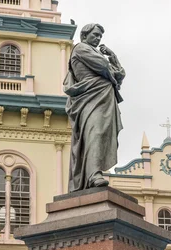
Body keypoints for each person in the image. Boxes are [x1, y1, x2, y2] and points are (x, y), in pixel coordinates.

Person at [64, 23, 126, 192]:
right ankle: (93, 175)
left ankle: (94, 172)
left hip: (103, 98)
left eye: (100, 36)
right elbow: (103, 67)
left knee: (101, 135)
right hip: (90, 98)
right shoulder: (80, 49)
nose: (98, 38)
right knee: (95, 132)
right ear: (85, 36)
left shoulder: (94, 51)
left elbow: (119, 74)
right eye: (95, 35)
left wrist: (112, 56)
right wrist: (109, 64)